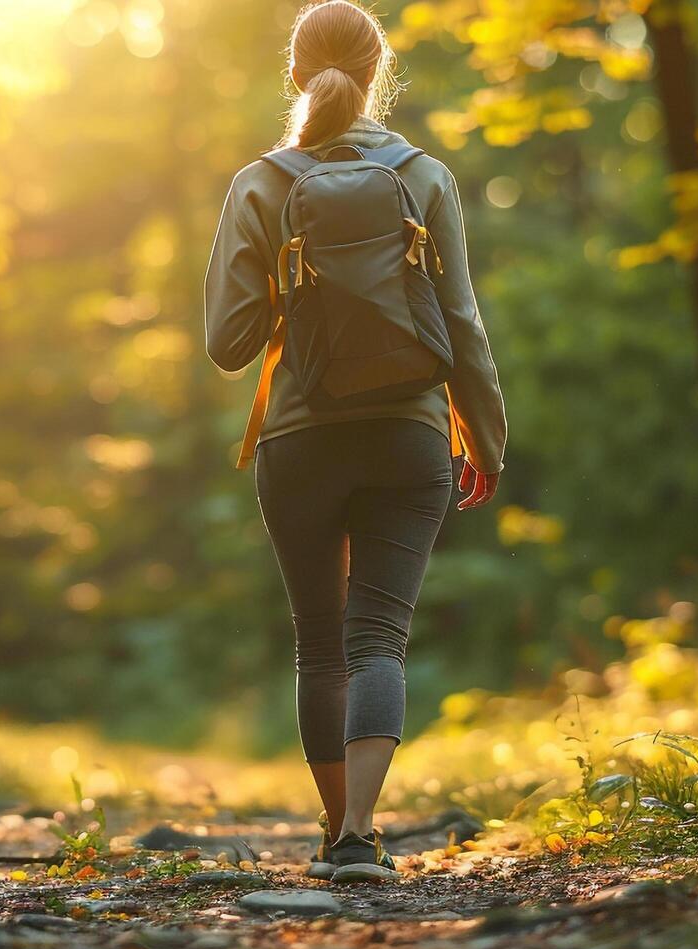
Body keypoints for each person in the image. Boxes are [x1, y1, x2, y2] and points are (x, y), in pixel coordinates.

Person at [202, 0, 507, 884]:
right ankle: (361, 836)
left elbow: (227, 345)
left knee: (319, 642)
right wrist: (485, 440)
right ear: (378, 73)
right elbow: (463, 326)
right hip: (410, 434)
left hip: (298, 441)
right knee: (379, 636)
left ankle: (336, 831)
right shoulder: (425, 176)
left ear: (295, 74)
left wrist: (289, 291)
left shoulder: (259, 182)